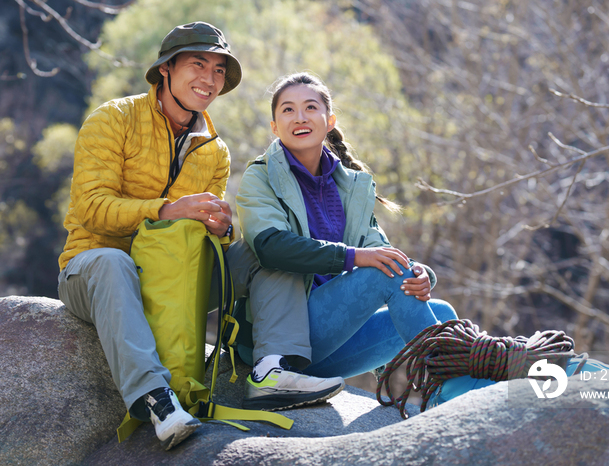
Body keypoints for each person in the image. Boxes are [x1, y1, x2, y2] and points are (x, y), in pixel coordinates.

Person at [56, 24, 341, 450]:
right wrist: (167, 210)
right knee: (112, 262)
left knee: (264, 249)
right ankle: (156, 400)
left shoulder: (215, 150)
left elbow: (215, 248)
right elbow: (90, 208)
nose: (209, 79)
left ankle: (272, 371)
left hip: (177, 278)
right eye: (198, 64)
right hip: (95, 270)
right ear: (166, 69)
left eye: (219, 70)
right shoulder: (112, 119)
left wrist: (223, 231)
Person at [235, 72, 458, 398]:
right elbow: (271, 247)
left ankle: (444, 400)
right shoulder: (261, 176)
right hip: (279, 336)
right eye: (287, 110)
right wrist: (354, 257)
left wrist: (422, 274)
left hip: (329, 345)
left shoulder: (350, 184)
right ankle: (458, 386)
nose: (299, 117)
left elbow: (380, 251)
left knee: (444, 314)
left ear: (329, 120)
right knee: (384, 277)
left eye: (311, 107)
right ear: (274, 127)